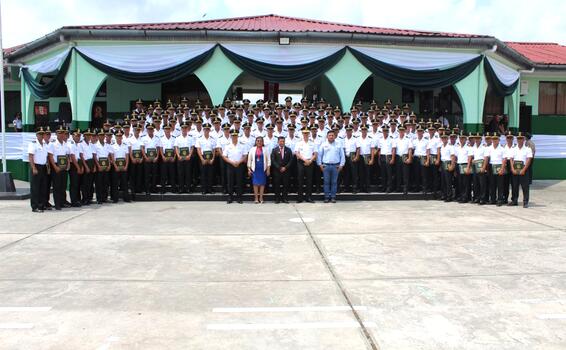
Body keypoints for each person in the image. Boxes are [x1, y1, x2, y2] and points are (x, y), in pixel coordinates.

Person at [317, 130, 345, 203]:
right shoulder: (323, 144)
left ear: (335, 136)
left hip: (336, 166)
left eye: (332, 135)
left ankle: (333, 197)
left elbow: (342, 155)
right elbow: (319, 155)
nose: (331, 136)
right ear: (327, 136)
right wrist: (320, 165)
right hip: (326, 166)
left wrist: (341, 165)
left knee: (334, 182)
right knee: (326, 182)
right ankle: (326, 197)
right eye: (330, 135)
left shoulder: (338, 144)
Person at [47, 126, 70, 210]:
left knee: (63, 185)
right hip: (56, 166)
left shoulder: (65, 144)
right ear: (56, 134)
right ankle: (57, 204)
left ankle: (62, 202)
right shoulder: (52, 143)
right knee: (57, 186)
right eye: (59, 133)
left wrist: (68, 165)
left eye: (63, 133)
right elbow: (50, 156)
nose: (61, 135)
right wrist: (55, 167)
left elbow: (67, 155)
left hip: (64, 166)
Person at [510, 132, 533, 208]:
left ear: (524, 139)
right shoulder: (513, 149)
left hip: (524, 170)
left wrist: (524, 169)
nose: (519, 140)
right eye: (518, 138)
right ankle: (514, 200)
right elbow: (511, 159)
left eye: (521, 139)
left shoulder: (528, 149)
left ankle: (525, 202)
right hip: (515, 170)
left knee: (525, 187)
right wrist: (512, 169)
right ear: (516, 139)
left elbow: (528, 160)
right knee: (514, 186)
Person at [28, 127, 48, 212]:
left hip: (43, 167)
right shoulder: (33, 144)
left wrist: (48, 167)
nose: (41, 135)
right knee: (35, 188)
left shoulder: (45, 144)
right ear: (36, 135)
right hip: (36, 166)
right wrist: (33, 168)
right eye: (39, 134)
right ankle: (35, 206)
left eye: (42, 134)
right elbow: (30, 156)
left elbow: (46, 157)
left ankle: (41, 205)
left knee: (43, 187)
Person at [223, 130, 246, 203]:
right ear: (231, 136)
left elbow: (245, 155)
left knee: (239, 181)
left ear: (237, 136)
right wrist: (231, 162)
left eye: (235, 136)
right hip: (230, 165)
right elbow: (224, 156)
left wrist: (239, 162)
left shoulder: (242, 145)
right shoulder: (227, 145)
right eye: (233, 136)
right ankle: (230, 197)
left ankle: (239, 197)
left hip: (239, 165)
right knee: (230, 182)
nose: (234, 137)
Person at [295, 127, 317, 203]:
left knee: (309, 181)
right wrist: (305, 160)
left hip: (310, 162)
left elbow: (315, 154)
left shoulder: (312, 143)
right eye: (304, 133)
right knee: (300, 180)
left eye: (307, 133)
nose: (305, 134)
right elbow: (297, 153)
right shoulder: (299, 143)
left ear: (309, 133)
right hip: (301, 162)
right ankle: (300, 198)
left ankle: (308, 197)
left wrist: (310, 160)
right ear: (302, 133)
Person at [247, 136, 271, 203]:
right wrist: (249, 169)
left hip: (263, 169)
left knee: (262, 184)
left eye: (260, 141)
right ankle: (256, 198)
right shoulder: (252, 149)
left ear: (263, 142)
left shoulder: (266, 149)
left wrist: (268, 169)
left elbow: (268, 160)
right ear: (255, 142)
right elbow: (249, 160)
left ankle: (261, 198)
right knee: (255, 184)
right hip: (255, 169)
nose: (259, 142)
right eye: (258, 141)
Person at [486, 132, 506, 206]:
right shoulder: (489, 148)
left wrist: (502, 169)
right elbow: (487, 158)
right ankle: (493, 199)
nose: (494, 140)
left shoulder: (502, 148)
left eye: (496, 139)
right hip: (491, 166)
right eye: (493, 139)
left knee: (500, 184)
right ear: (491, 139)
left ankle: (500, 199)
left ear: (499, 140)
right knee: (492, 184)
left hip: (499, 166)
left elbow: (504, 159)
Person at [271, 136, 293, 204]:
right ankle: (277, 198)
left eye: (283, 141)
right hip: (277, 171)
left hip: (286, 170)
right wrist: (279, 167)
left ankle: (285, 198)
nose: (282, 142)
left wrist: (285, 167)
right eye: (280, 141)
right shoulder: (274, 150)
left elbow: (291, 160)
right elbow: (273, 160)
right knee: (277, 185)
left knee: (285, 185)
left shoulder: (288, 150)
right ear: (278, 142)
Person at [111, 130, 131, 203]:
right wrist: (115, 166)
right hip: (116, 166)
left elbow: (127, 157)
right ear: (115, 137)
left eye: (120, 136)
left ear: (122, 137)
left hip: (123, 166)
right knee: (115, 183)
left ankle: (126, 198)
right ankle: (115, 198)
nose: (119, 137)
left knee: (124, 183)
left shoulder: (125, 145)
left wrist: (126, 166)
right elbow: (112, 157)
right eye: (117, 136)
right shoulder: (112, 146)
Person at [196, 123, 216, 194]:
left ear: (209, 130)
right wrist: (202, 159)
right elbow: (198, 149)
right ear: (203, 130)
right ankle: (204, 189)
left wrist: (213, 159)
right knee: (203, 174)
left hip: (210, 157)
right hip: (203, 157)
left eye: (208, 129)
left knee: (210, 174)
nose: (206, 131)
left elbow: (213, 150)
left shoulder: (212, 139)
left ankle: (210, 189)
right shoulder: (199, 139)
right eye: (205, 129)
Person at [175, 122, 194, 193]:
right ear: (181, 129)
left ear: (187, 129)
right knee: (180, 174)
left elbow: (192, 147)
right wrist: (178, 156)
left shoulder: (190, 138)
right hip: (180, 158)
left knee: (188, 174)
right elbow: (176, 148)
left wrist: (189, 155)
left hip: (188, 158)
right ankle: (181, 188)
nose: (184, 129)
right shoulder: (178, 138)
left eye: (185, 128)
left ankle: (188, 188)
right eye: (183, 128)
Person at [68, 129, 83, 207]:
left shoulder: (79, 144)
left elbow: (81, 155)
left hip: (79, 164)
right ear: (73, 136)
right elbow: (72, 157)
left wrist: (82, 166)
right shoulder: (71, 144)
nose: (78, 137)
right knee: (74, 184)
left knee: (78, 183)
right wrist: (78, 167)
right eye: (76, 136)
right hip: (74, 165)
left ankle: (78, 199)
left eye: (79, 136)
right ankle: (74, 201)